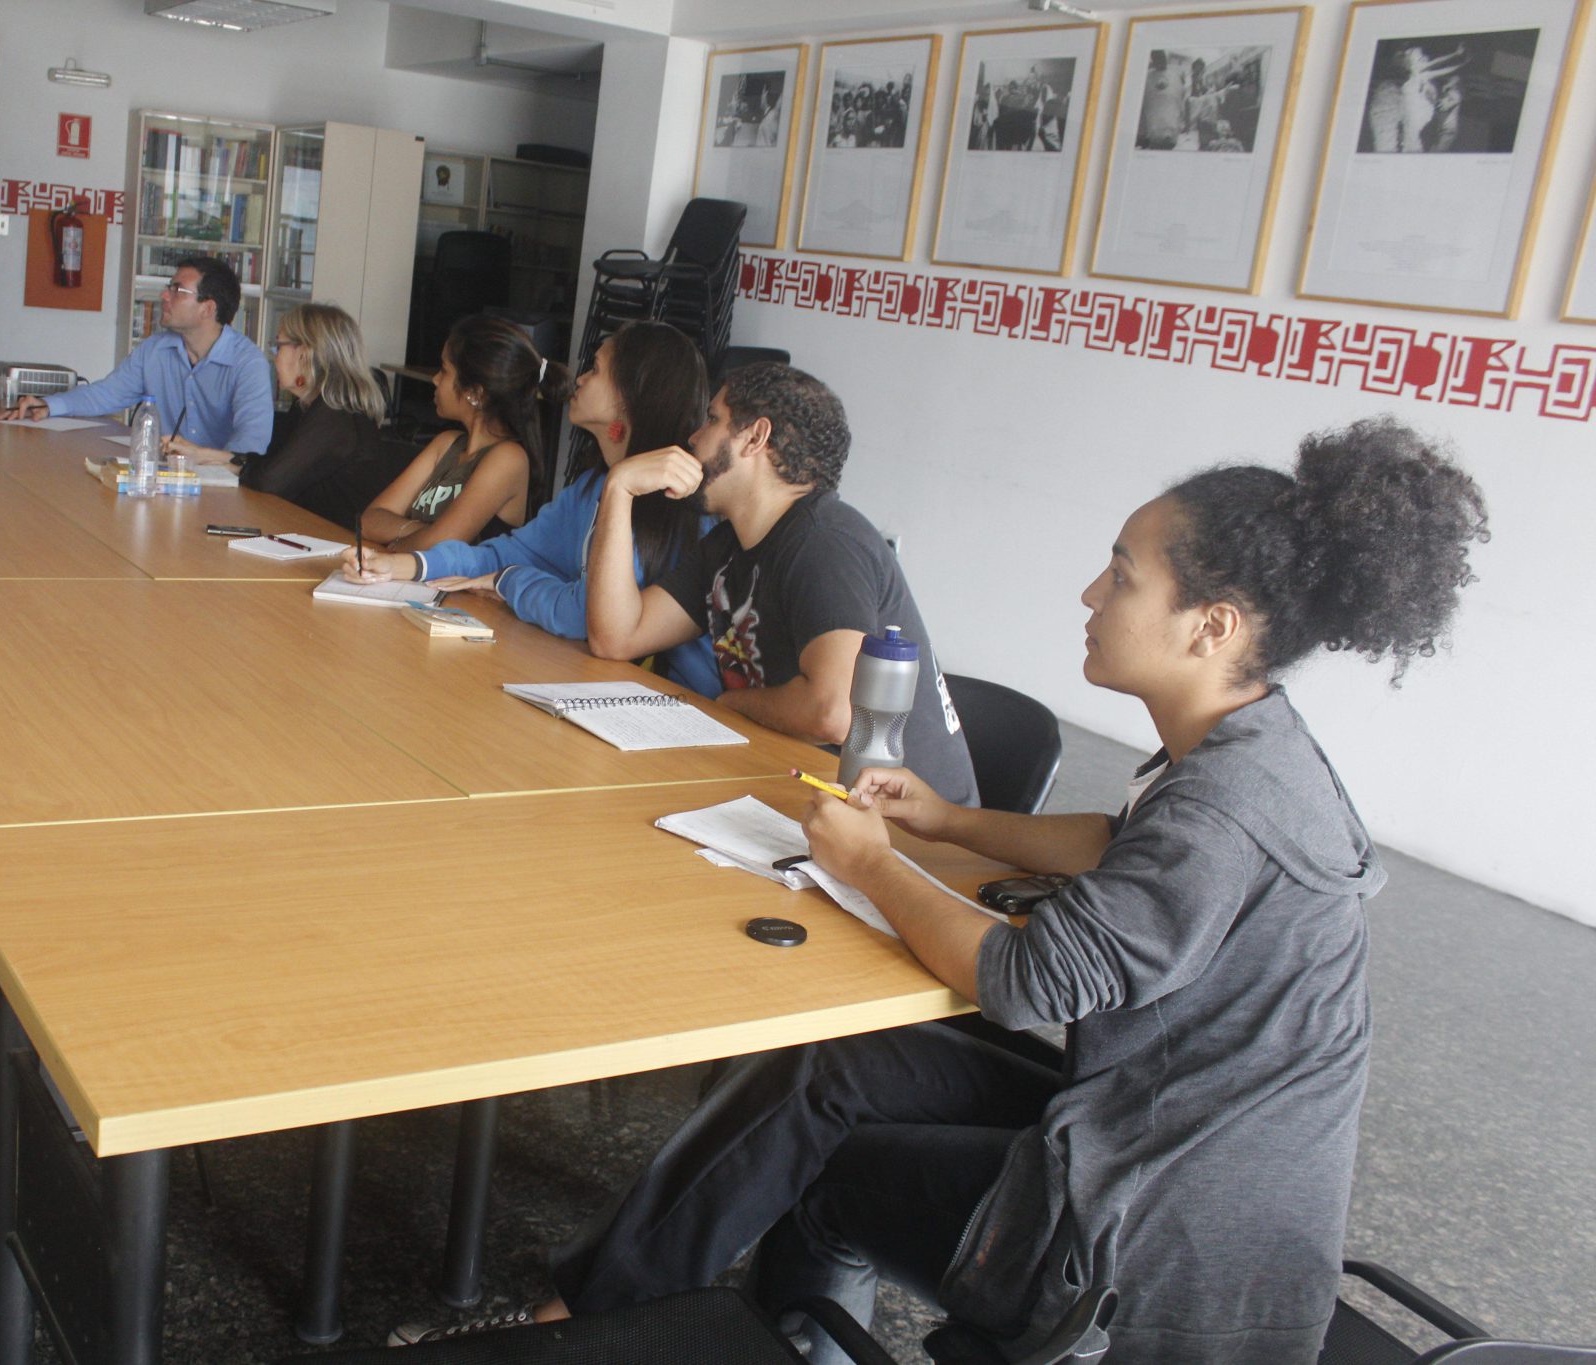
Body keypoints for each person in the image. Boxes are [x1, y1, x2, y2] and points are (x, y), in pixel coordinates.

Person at [421, 419, 1484, 1364]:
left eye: (1120, 578)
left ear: (1211, 625)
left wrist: (870, 862)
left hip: (1149, 1239)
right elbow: (1118, 842)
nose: (1090, 595)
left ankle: (707, 1334)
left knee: (826, 1170)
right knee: (835, 1066)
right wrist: (946, 819)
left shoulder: (1224, 811)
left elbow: (1023, 981)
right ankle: (586, 1308)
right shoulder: (1252, 747)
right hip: (1158, 1128)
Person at [583, 363, 977, 802]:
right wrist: (619, 489)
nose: (694, 437)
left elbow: (832, 712)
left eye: (712, 419)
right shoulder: (729, 544)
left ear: (755, 437)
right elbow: (616, 637)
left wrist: (730, 704)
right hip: (805, 787)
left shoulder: (825, 543)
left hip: (905, 827)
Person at [341, 321, 719, 697]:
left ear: (630, 395)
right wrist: (405, 566)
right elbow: (505, 552)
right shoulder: (591, 488)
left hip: (682, 704)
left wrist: (507, 580)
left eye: (595, 369)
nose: (580, 379)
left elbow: (583, 614)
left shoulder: (669, 505)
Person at [2, 256, 273, 456]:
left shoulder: (247, 364)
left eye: (177, 290)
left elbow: (251, 443)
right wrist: (49, 405)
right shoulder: (155, 350)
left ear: (208, 309)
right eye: (168, 287)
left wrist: (208, 464)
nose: (164, 295)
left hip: (221, 489)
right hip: (162, 478)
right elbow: (107, 394)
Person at [357, 315, 571, 553]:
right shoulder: (446, 443)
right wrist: (424, 532)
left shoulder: (509, 459)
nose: (435, 379)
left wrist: (404, 539)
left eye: (444, 371)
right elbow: (369, 520)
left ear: (475, 393)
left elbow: (442, 546)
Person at [166, 302, 386, 528]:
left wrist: (224, 462)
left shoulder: (335, 416)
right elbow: (271, 464)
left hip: (335, 539)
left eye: (278, 347)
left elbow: (270, 481)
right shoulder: (308, 406)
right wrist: (203, 454)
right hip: (304, 528)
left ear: (305, 353)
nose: (274, 357)